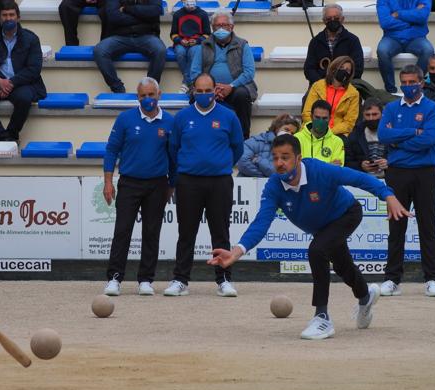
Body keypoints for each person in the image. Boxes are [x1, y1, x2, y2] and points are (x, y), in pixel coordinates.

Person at [208, 134, 411, 339]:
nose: (279, 163)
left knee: (317, 250)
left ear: (298, 158)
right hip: (322, 229)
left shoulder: (319, 171)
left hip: (346, 214)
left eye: (285, 157)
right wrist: (237, 251)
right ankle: (365, 297)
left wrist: (388, 195)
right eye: (275, 157)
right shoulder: (274, 186)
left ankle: (322, 317)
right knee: (342, 266)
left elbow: (359, 178)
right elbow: (262, 221)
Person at [165, 73, 244, 297]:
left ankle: (224, 279)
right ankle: (180, 280)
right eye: (198, 91)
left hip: (219, 181)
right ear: (193, 91)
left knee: (221, 232)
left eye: (207, 90)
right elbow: (174, 148)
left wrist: (221, 164)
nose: (203, 94)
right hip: (189, 181)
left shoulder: (229, 116)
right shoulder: (182, 117)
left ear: (215, 91)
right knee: (186, 232)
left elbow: (237, 147)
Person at [102, 77, 175, 296]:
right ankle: (114, 279)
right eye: (143, 95)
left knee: (152, 232)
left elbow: (174, 157)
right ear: (138, 97)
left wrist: (172, 183)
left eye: (151, 95)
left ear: (159, 95)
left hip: (157, 184)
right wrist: (108, 181)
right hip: (129, 183)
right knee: (122, 231)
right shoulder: (125, 119)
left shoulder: (170, 122)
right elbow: (111, 151)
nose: (147, 99)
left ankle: (146, 280)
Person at [378, 64, 435, 297]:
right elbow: (384, 135)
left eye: (411, 82)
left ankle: (432, 278)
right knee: (396, 227)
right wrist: (412, 132)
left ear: (421, 82)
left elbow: (428, 139)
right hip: (397, 174)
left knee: (427, 226)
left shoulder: (432, 108)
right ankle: (392, 279)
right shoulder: (391, 107)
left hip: (424, 173)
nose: (407, 86)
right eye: (403, 82)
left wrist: (399, 142)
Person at [0, 1, 46, 142]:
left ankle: (12, 134)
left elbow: (34, 69)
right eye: (4, 15)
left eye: (11, 15)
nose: (8, 18)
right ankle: (1, 136)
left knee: (24, 98)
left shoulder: (31, 39)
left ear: (18, 17)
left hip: (22, 83)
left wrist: (11, 83)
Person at [190, 10, 257, 138]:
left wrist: (230, 86)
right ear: (212, 28)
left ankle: (243, 137)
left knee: (242, 95)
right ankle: (198, 135)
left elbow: (249, 72)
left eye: (224, 25)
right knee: (197, 96)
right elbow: (194, 72)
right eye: (217, 26)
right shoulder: (203, 46)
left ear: (231, 27)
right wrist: (211, 89)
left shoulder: (242, 45)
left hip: (235, 88)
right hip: (209, 88)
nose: (220, 28)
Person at [93, 0, 165, 93]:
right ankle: (118, 88)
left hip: (146, 35)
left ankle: (149, 88)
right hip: (120, 36)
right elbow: (113, 17)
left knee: (160, 50)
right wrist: (144, 18)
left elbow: (156, 10)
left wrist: (127, 9)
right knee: (99, 50)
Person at [376, 0, 433, 93]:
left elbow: (422, 17)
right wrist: (412, 22)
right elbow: (385, 22)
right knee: (382, 50)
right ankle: (391, 91)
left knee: (428, 50)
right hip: (392, 38)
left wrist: (398, 14)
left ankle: (415, 86)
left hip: (416, 37)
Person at [304, 4, 364, 86]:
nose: (333, 21)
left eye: (336, 18)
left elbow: (358, 68)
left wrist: (339, 83)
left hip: (346, 86)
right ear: (324, 20)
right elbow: (309, 69)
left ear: (342, 19)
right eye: (329, 19)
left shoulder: (353, 40)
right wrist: (323, 84)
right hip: (320, 86)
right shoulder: (315, 41)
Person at [303, 56, 360, 138]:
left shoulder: (353, 93)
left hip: (337, 134)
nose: (344, 71)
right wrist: (317, 129)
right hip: (312, 130)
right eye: (341, 67)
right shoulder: (318, 86)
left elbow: (349, 122)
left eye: (347, 70)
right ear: (333, 68)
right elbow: (307, 113)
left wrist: (329, 132)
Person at [237, 113, 300, 177]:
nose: (289, 134)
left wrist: (258, 160)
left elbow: (283, 172)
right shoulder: (256, 141)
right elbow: (242, 163)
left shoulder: (290, 149)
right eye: (286, 129)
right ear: (277, 127)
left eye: (292, 133)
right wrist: (263, 177)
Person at [170, 0, 210, 93]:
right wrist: (180, 40)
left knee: (194, 52)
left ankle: (185, 83)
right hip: (181, 43)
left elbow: (207, 34)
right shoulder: (177, 14)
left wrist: (197, 41)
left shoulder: (203, 14)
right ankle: (190, 82)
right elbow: (173, 34)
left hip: (196, 44)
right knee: (180, 53)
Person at [344, 98, 388, 176]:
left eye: (374, 114)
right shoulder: (355, 135)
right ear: (363, 115)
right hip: (363, 180)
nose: (371, 118)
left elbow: (403, 157)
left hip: (389, 179)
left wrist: (389, 163)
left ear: (382, 114)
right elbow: (347, 161)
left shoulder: (393, 133)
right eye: (367, 115)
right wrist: (361, 166)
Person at [295, 99, 345, 165]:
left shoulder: (337, 142)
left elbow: (336, 171)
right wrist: (328, 166)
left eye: (324, 118)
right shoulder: (297, 139)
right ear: (311, 117)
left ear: (330, 118)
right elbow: (295, 167)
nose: (321, 121)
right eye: (317, 118)